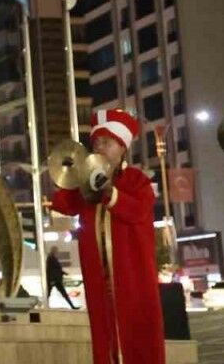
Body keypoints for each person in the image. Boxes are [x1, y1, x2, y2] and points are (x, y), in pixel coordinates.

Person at [51, 109, 165, 364]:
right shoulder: (86, 181)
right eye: (96, 143)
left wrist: (110, 192)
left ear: (122, 147)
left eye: (107, 142)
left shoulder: (136, 180)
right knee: (103, 332)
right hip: (97, 274)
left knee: (139, 331)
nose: (99, 147)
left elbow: (138, 211)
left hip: (133, 274)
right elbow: (63, 204)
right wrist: (68, 175)